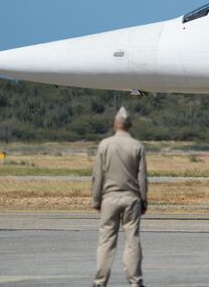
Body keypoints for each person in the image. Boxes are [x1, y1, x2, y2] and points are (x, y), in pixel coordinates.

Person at [92, 107, 148, 287]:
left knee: (106, 241)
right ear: (129, 125)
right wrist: (144, 199)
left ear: (115, 124)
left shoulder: (105, 144)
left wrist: (96, 199)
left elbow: (97, 175)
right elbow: (142, 176)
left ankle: (100, 281)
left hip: (109, 197)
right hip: (131, 198)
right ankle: (135, 281)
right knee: (132, 240)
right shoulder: (137, 146)